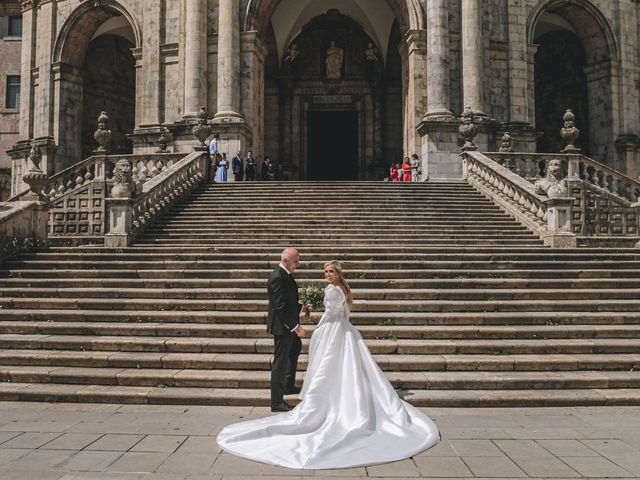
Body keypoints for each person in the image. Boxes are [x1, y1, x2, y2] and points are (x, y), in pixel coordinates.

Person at [217, 260, 440, 469]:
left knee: (330, 365)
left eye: (330, 272)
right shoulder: (343, 289)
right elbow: (344, 313)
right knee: (346, 366)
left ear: (337, 274)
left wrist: (319, 326)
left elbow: (332, 313)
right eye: (325, 272)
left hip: (333, 329)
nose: (327, 275)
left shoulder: (332, 290)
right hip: (344, 329)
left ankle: (326, 401)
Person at [267, 248, 312, 411]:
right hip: (283, 327)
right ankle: (276, 402)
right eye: (296, 261)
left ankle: (287, 385)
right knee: (280, 362)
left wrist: (301, 307)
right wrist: (296, 327)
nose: (297, 264)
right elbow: (280, 306)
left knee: (295, 348)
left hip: (287, 324)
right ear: (286, 260)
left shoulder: (284, 274)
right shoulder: (278, 277)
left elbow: (288, 300)